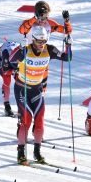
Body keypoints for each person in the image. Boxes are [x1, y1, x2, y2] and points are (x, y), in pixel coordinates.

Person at [9, 26, 72, 165]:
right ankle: (21, 153)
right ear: (33, 39)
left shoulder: (49, 49)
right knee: (27, 119)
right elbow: (12, 59)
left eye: (43, 41)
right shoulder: (26, 49)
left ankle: (37, 152)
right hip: (22, 88)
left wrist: (68, 44)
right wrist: (20, 48)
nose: (41, 44)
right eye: (38, 41)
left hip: (37, 89)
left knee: (39, 120)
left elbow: (67, 58)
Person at [18, 1, 72, 92]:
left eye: (46, 17)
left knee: (42, 85)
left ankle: (42, 93)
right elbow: (21, 30)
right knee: (27, 84)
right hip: (28, 55)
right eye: (42, 18)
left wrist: (67, 21)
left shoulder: (49, 23)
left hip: (43, 55)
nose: (44, 20)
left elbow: (66, 31)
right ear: (36, 15)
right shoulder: (30, 23)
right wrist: (34, 18)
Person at [0, 41, 19, 117]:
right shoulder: (6, 56)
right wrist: (13, 71)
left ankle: (21, 106)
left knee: (20, 81)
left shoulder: (24, 53)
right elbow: (6, 72)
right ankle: (7, 106)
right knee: (7, 80)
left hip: (13, 57)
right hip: (0, 59)